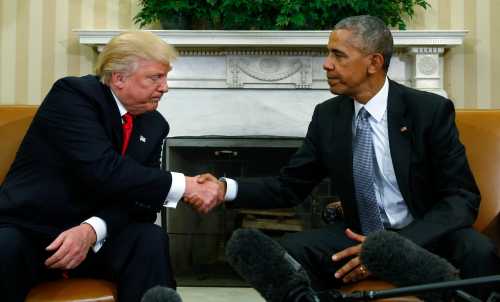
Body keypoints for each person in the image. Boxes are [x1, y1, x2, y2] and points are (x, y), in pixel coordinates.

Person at [189, 15, 500, 299]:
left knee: (478, 251)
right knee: (281, 256)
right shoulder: (328, 117)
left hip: (424, 234)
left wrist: (395, 249)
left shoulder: (427, 111)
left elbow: (461, 198)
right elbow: (289, 186)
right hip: (356, 235)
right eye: (329, 53)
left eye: (338, 55)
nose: (326, 64)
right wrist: (224, 188)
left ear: (374, 62)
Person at [0, 31, 219, 302]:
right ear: (119, 78)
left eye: (165, 77)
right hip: (34, 232)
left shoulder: (154, 124)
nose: (164, 87)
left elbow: (142, 205)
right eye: (155, 77)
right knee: (4, 245)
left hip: (96, 241)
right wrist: (184, 184)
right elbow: (104, 169)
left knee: (149, 238)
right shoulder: (73, 96)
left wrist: (92, 230)